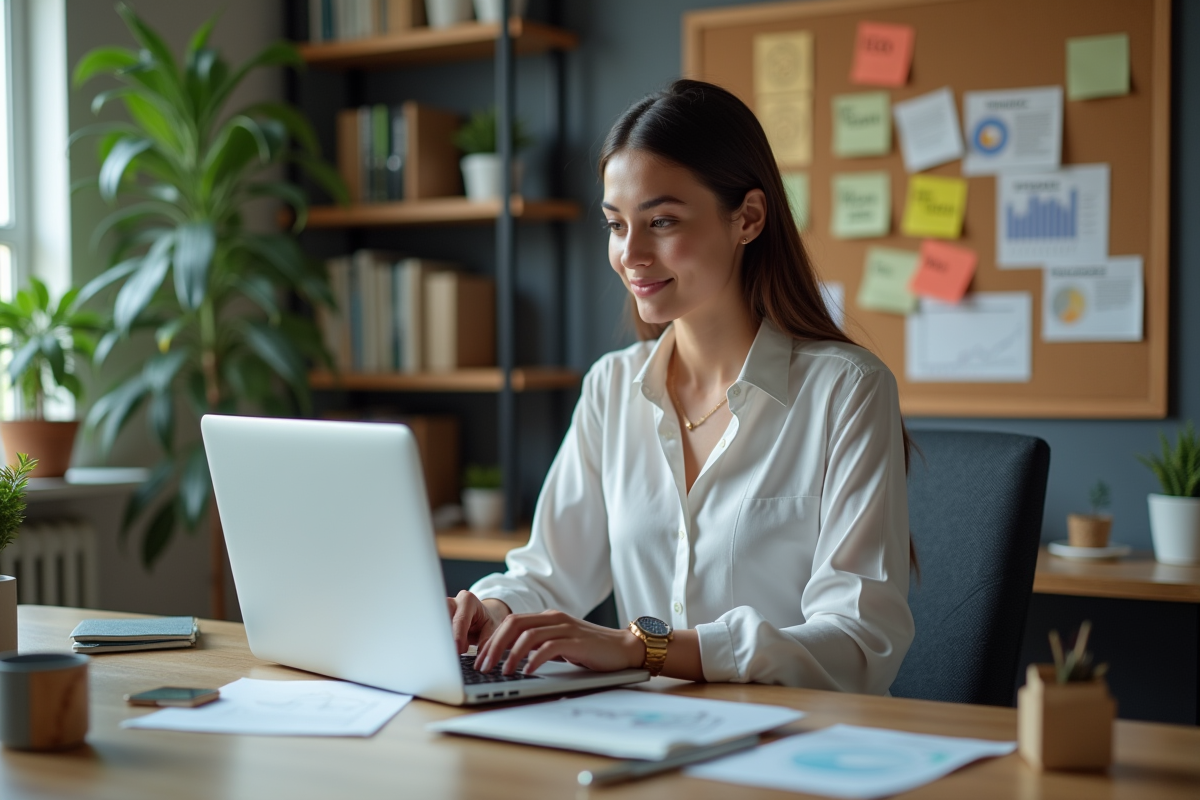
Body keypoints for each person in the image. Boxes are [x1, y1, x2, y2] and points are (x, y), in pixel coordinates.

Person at [448, 79, 915, 693]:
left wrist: (645, 649)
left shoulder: (846, 391)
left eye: (661, 221)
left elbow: (858, 643)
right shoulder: (612, 387)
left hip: (794, 746)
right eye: (617, 225)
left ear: (747, 218)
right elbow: (548, 572)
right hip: (649, 737)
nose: (631, 254)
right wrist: (494, 611)